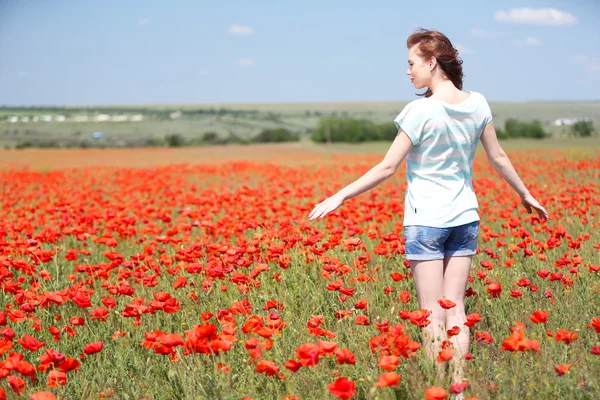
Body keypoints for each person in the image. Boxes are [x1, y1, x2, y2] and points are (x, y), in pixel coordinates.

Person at [308, 28, 549, 393]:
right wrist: (526, 194)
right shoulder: (478, 103)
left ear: (432, 62)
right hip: (466, 219)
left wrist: (340, 196)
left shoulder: (419, 110)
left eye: (411, 63)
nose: (407, 72)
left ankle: (438, 390)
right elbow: (497, 157)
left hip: (426, 223)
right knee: (456, 312)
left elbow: (387, 167)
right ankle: (460, 390)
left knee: (432, 314)